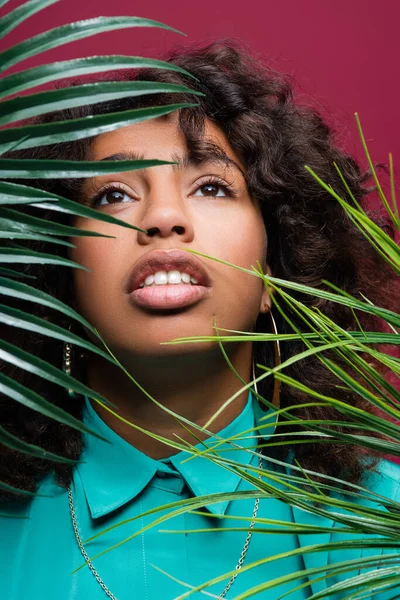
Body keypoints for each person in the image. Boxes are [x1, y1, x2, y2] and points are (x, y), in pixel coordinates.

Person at [0, 41, 399, 599]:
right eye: (113, 195)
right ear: (60, 279)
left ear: (274, 268)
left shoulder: (384, 529)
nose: (163, 218)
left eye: (211, 187)